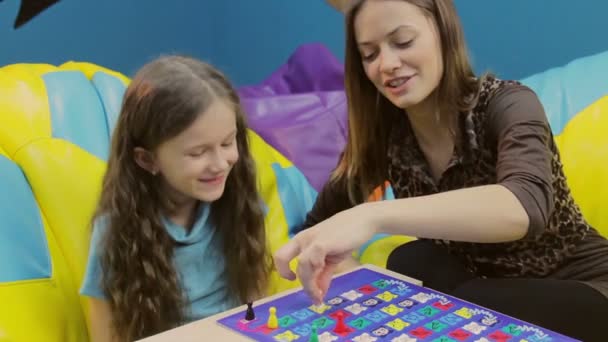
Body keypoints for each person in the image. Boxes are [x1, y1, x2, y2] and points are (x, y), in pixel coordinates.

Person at [274, 0, 608, 340]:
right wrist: (334, 263)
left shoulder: (507, 103)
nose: (387, 64)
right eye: (369, 54)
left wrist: (373, 215)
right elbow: (318, 226)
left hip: (582, 287)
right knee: (411, 259)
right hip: (483, 287)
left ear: (443, 34)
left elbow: (526, 204)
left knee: (471, 301)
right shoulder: (388, 136)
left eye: (403, 42)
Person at [80, 56, 271, 342]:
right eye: (198, 153)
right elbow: (105, 332)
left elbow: (256, 304)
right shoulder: (118, 231)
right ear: (147, 159)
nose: (220, 164)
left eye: (227, 143)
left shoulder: (237, 201)